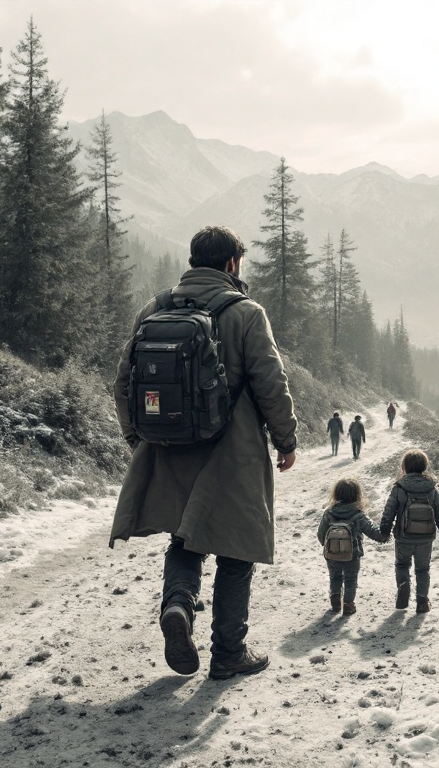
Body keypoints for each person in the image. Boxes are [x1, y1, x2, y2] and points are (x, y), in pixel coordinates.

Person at [109, 225, 298, 681]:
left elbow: (123, 382)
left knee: (184, 538)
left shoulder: (154, 308)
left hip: (169, 449)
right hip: (232, 453)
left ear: (194, 260)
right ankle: (229, 653)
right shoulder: (246, 312)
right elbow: (271, 383)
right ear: (232, 264)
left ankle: (177, 604)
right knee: (235, 552)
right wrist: (286, 440)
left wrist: (138, 439)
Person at [378, 448, 439, 614]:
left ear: (405, 466)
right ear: (424, 466)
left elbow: (388, 511)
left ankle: (403, 589)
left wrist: (384, 531)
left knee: (402, 565)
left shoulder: (399, 488)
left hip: (403, 537)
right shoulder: (432, 489)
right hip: (425, 538)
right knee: (423, 570)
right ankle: (422, 601)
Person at [317, 477, 388, 615]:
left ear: (336, 494)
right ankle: (348, 604)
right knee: (350, 579)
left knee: (335, 577)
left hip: (332, 553)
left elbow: (321, 534)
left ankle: (335, 599)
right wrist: (384, 534)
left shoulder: (329, 513)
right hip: (352, 554)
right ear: (357, 495)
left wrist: (326, 545)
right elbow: (372, 532)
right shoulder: (358, 515)